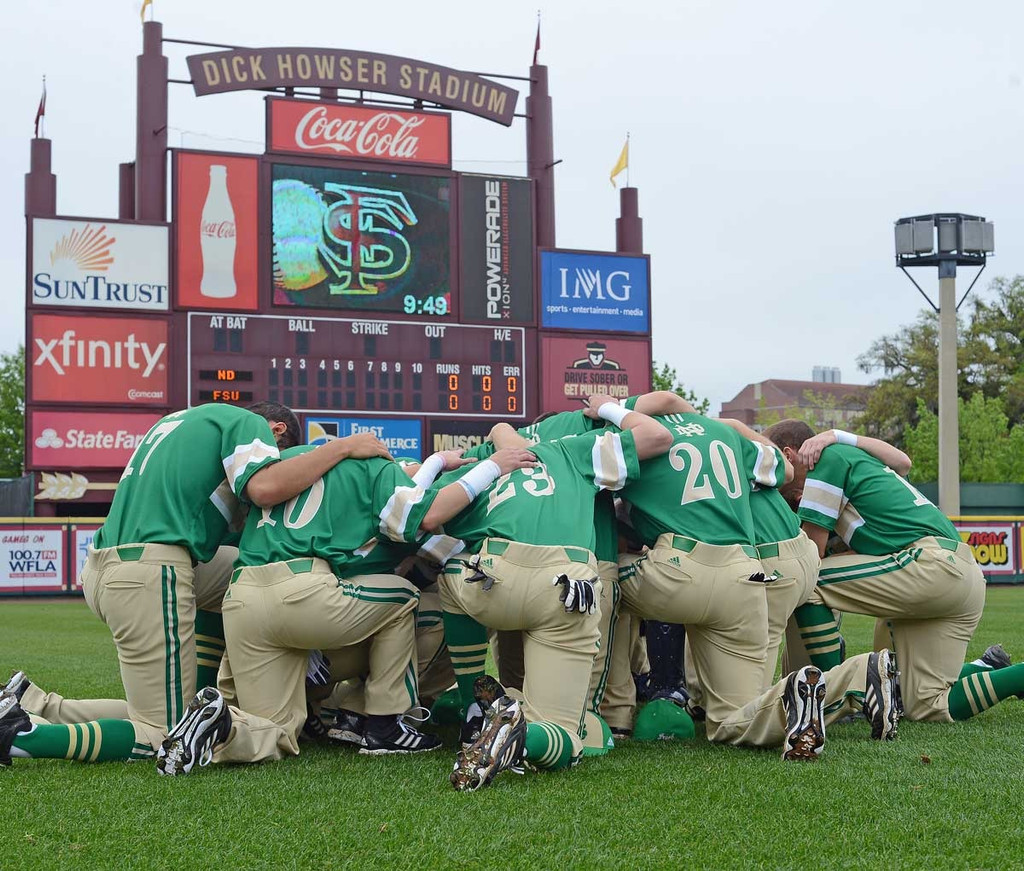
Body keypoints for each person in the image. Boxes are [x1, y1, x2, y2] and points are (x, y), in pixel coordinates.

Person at [0, 401, 390, 767]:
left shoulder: (185, 422)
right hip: (150, 571)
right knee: (163, 732)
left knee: (244, 574)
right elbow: (265, 487)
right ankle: (28, 737)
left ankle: (33, 702)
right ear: (276, 431)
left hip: (110, 565)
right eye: (279, 455)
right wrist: (342, 447)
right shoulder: (248, 423)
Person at [156, 445, 537, 775]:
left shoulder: (288, 462)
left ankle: (224, 724)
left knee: (277, 731)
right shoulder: (376, 470)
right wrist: (491, 466)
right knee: (404, 596)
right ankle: (386, 724)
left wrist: (435, 462)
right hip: (303, 590)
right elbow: (420, 512)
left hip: (242, 596)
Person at [616, 401, 899, 759]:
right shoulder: (731, 441)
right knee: (748, 701)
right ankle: (855, 677)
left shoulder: (652, 444)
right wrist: (736, 428)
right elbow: (784, 469)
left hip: (756, 562)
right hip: (790, 555)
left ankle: (617, 714)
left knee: (740, 712)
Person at [437, 394, 672, 790]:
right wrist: (607, 406)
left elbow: (417, 516)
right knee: (566, 738)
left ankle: (475, 709)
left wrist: (460, 453)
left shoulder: (484, 462)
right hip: (569, 586)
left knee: (449, 573)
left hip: (494, 576)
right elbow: (657, 435)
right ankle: (524, 734)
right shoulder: (571, 450)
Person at [765, 420, 1024, 724]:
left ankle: (832, 695)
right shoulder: (853, 462)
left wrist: (834, 437)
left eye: (770, 457)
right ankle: (1003, 671)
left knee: (807, 580)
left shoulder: (824, 461)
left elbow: (812, 555)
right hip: (960, 574)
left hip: (931, 564)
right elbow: (902, 463)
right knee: (924, 704)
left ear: (788, 454)